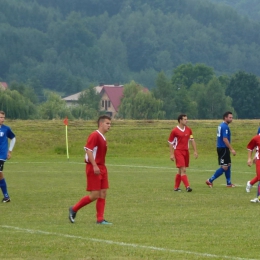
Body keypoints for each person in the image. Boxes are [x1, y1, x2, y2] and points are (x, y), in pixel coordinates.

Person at [69, 115, 112, 224]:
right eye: (107, 123)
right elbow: (88, 150)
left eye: (110, 124)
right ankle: (74, 209)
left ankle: (100, 219)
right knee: (94, 195)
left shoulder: (103, 137)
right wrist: (94, 165)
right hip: (95, 167)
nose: (109, 126)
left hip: (102, 167)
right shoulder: (94, 135)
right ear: (101, 124)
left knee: (103, 193)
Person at [168, 114, 198, 192]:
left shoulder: (189, 130)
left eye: (186, 119)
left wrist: (195, 151)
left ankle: (176, 187)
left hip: (186, 151)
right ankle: (188, 187)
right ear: (180, 120)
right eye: (184, 119)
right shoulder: (174, 131)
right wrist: (171, 154)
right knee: (183, 170)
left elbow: (192, 140)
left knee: (180, 170)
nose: (186, 120)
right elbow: (170, 142)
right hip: (178, 151)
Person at [206, 111, 236, 188]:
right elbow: (225, 139)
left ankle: (229, 183)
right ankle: (210, 180)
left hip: (224, 148)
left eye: (232, 117)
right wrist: (231, 149)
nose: (231, 119)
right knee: (224, 167)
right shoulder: (225, 126)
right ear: (225, 117)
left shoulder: (222, 125)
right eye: (230, 117)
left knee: (228, 165)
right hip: (223, 148)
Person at [0, 111, 16, 203]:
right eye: (1, 117)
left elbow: (13, 138)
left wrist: (9, 151)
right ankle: (6, 196)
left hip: (1, 155)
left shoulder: (6, 129)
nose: (3, 119)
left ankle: (6, 196)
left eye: (3, 117)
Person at [246, 133, 260, 202]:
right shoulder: (256, 138)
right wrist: (249, 158)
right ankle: (258, 198)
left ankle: (250, 183)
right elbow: (250, 147)